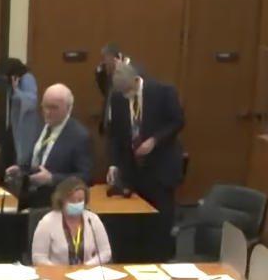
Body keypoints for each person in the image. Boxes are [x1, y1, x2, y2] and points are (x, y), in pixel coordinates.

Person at [107, 62, 184, 260]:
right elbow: (115, 135)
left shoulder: (163, 92)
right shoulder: (117, 97)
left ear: (136, 80)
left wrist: (154, 140)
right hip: (133, 170)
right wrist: (114, 164)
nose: (126, 97)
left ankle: (158, 260)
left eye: (128, 92)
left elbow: (177, 121)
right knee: (133, 223)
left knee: (159, 222)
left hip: (161, 168)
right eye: (123, 94)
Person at [6, 83, 92, 209]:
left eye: (53, 108)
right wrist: (21, 169)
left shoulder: (79, 136)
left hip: (58, 206)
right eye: (44, 107)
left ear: (68, 108)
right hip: (31, 202)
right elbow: (38, 161)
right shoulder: (41, 127)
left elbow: (85, 177)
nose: (47, 112)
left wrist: (51, 179)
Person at [31, 177, 112, 266]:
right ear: (61, 200)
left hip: (86, 275)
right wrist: (59, 271)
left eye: (80, 200)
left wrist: (88, 266)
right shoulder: (47, 222)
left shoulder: (92, 219)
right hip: (57, 275)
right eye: (72, 200)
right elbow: (38, 257)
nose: (76, 204)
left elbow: (105, 252)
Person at [0, 58, 40, 167]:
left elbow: (31, 102)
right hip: (10, 127)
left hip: (24, 126)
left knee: (22, 158)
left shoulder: (27, 78)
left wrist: (16, 90)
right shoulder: (8, 80)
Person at [94, 43, 133, 134]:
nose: (104, 62)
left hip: (125, 125)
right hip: (110, 125)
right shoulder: (106, 75)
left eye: (105, 58)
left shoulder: (129, 72)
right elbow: (105, 94)